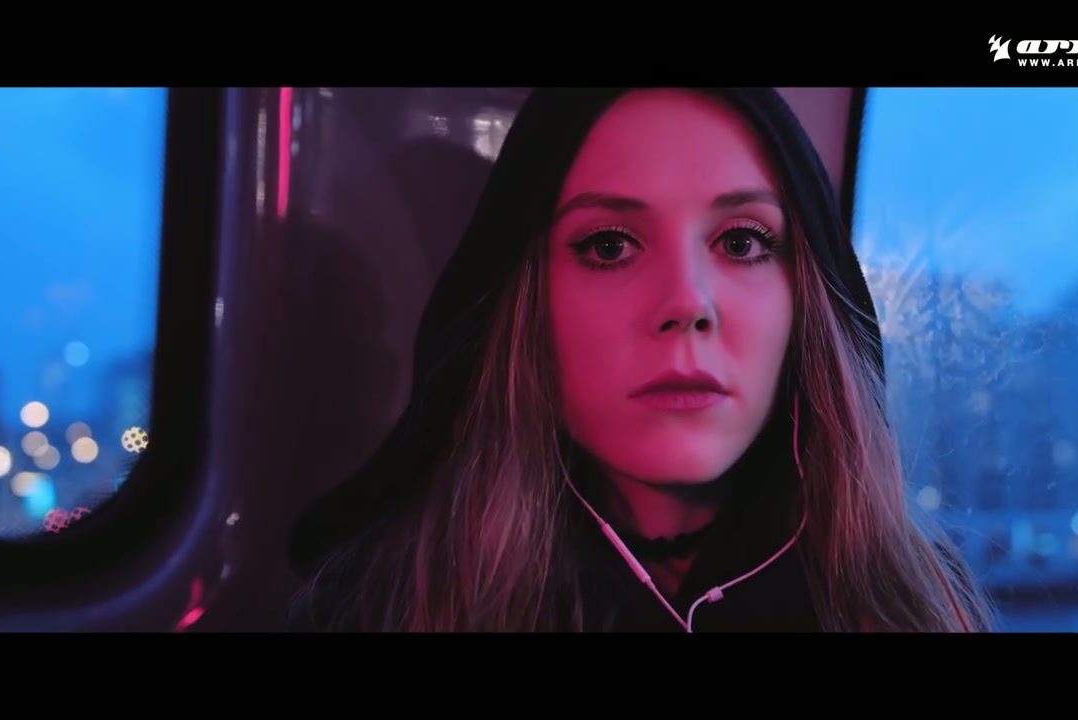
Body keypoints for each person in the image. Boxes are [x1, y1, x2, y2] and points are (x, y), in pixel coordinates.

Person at [287, 87, 996, 632]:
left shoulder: (916, 604)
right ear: (526, 304)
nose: (687, 303)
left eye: (742, 242)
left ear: (806, 299)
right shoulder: (377, 608)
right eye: (609, 246)